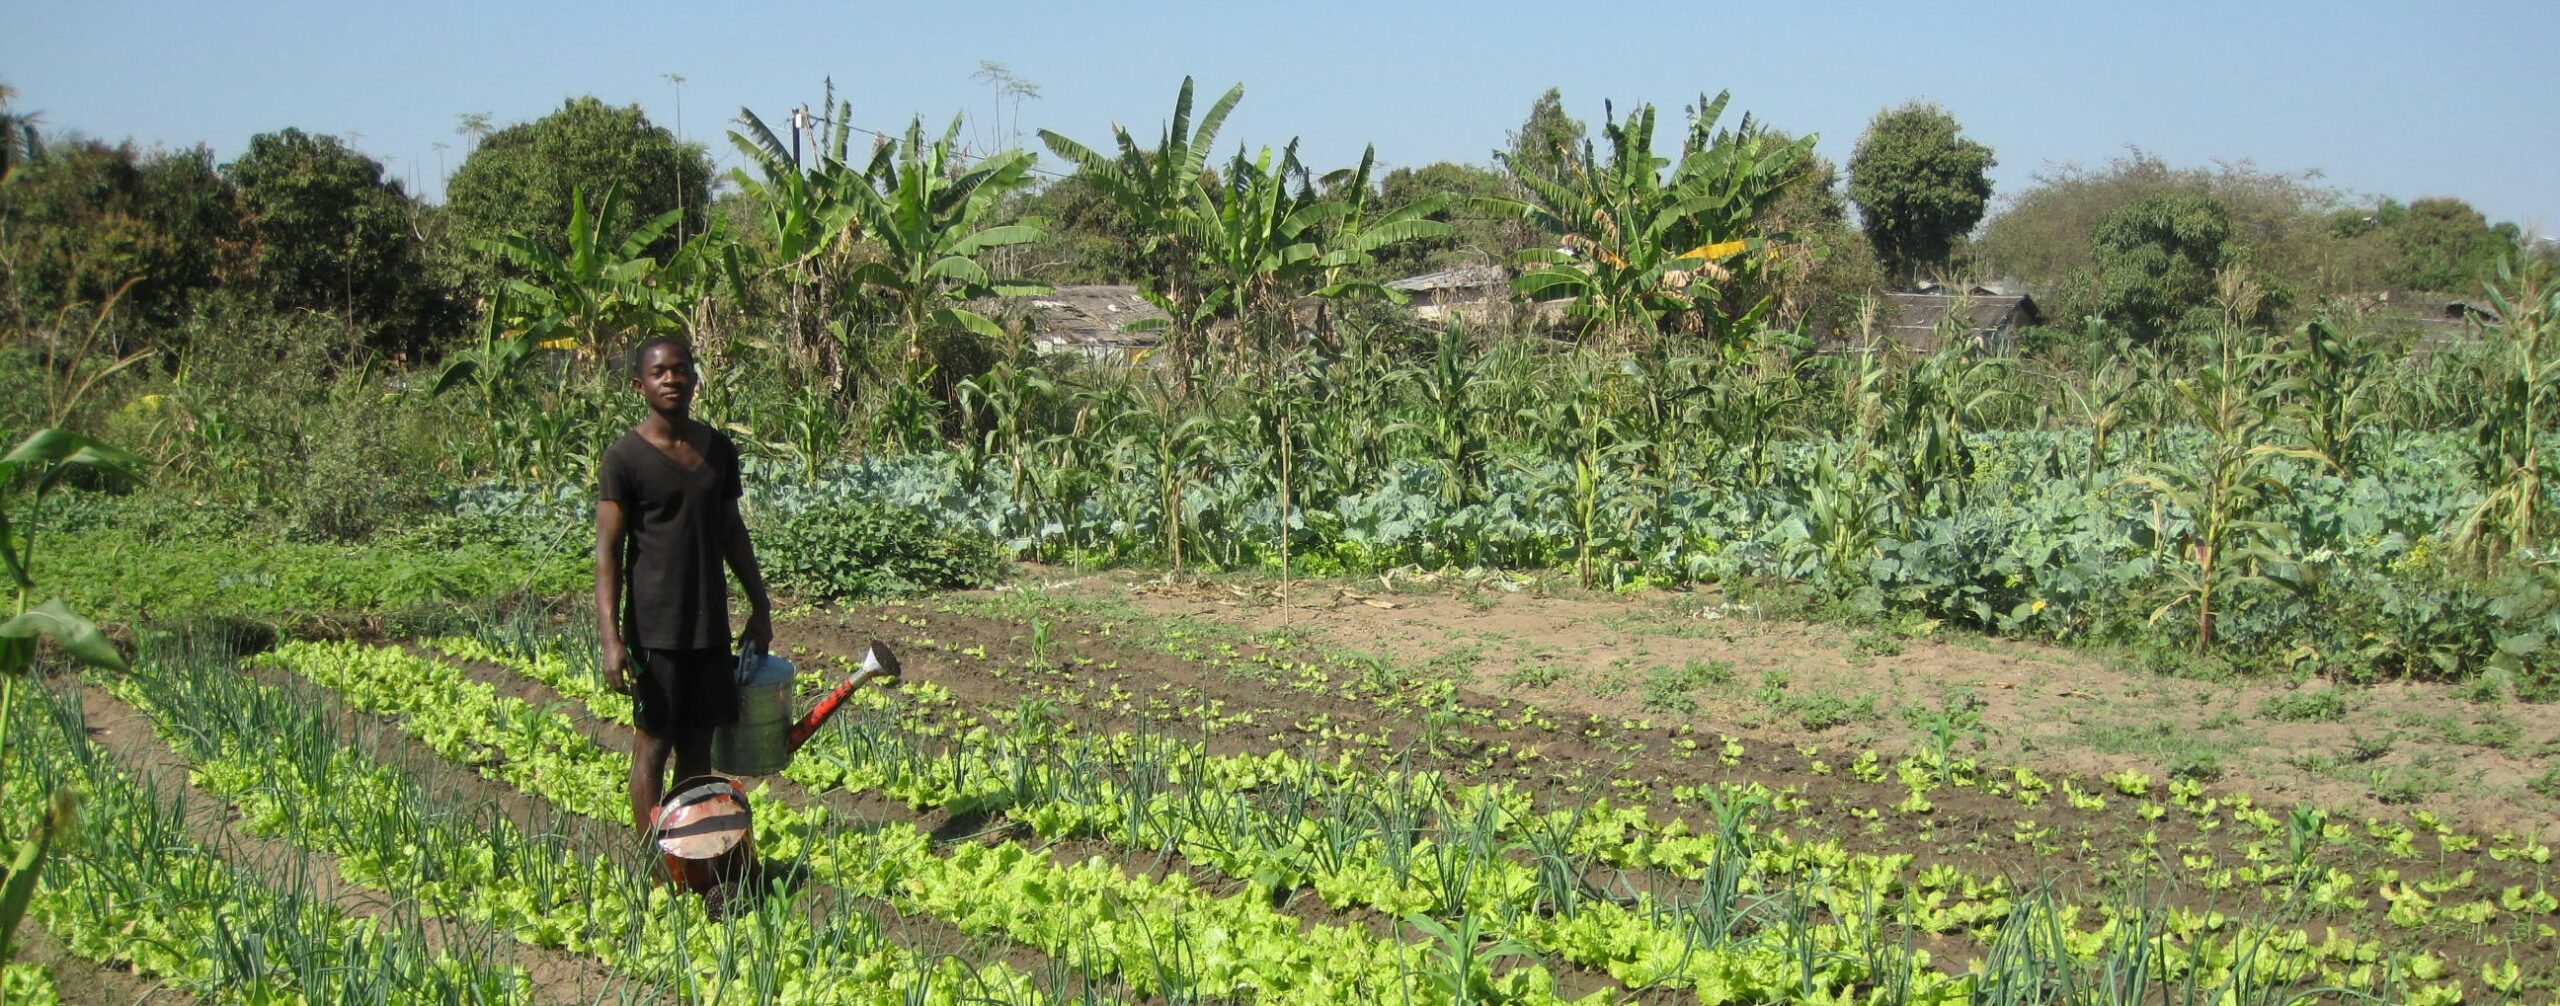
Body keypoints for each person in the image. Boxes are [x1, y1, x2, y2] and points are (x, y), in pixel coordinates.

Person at [595, 336, 773, 835]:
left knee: (697, 748)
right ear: (639, 385)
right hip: (654, 630)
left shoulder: (717, 451)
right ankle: (652, 860)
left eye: (680, 370)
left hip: (709, 626)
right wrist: (611, 640)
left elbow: (732, 531)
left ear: (695, 380)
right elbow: (608, 552)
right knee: (654, 744)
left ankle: (687, 854)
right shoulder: (624, 458)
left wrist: (759, 606)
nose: (671, 379)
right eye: (659, 372)